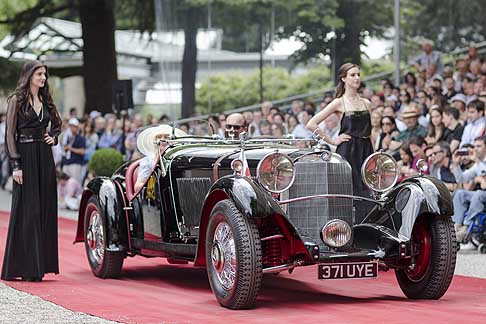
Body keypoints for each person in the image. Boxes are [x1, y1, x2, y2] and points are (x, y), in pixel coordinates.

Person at [1, 61, 62, 282]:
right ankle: (23, 267)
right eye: (39, 74)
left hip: (44, 158)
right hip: (25, 158)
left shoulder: (45, 100)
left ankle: (39, 267)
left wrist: (53, 137)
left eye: (44, 74)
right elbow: (9, 135)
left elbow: (57, 124)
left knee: (44, 208)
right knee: (28, 212)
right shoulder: (16, 100)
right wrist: (16, 165)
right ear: (29, 76)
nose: (43, 78)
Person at [306, 63, 373, 197]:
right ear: (343, 78)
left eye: (358, 75)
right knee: (349, 190)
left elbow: (370, 132)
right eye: (352, 75)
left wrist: (374, 155)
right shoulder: (338, 102)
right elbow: (311, 124)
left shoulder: (367, 103)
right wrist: (333, 141)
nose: (357, 78)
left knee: (367, 190)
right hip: (348, 150)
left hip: (366, 149)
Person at [134, 125, 185, 193]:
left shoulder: (178, 159)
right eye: (159, 137)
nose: (162, 139)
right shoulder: (148, 161)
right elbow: (138, 187)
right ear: (154, 141)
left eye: (166, 137)